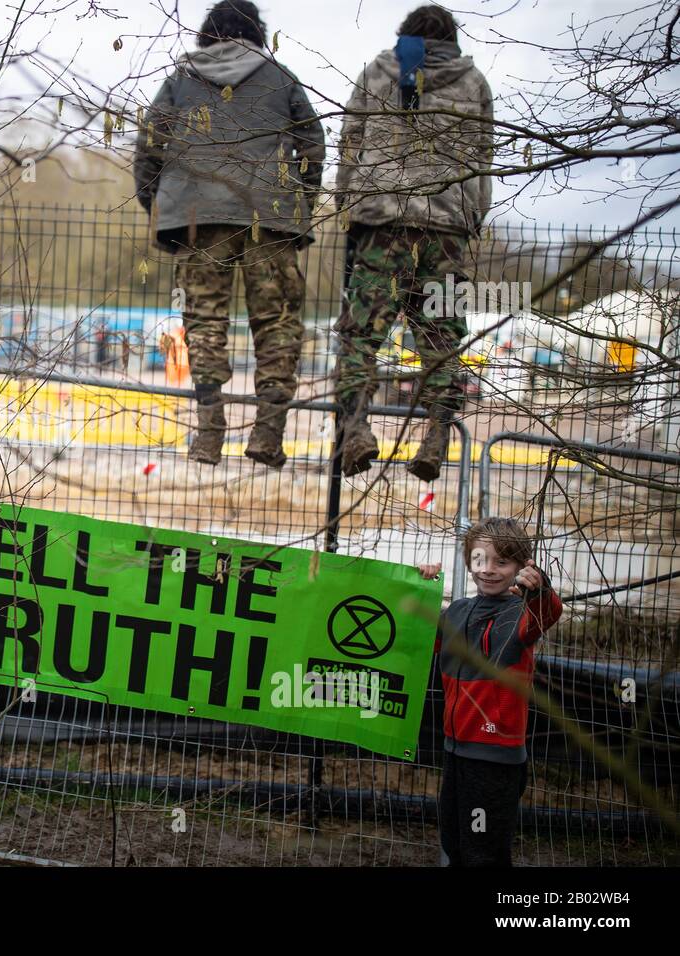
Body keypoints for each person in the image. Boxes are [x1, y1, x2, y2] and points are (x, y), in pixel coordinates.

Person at [134, 0, 325, 467]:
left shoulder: (181, 80)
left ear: (206, 33)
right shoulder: (281, 77)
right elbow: (313, 145)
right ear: (256, 31)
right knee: (277, 321)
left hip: (199, 217)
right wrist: (300, 199)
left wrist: (153, 198)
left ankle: (208, 431)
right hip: (271, 216)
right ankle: (267, 434)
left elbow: (150, 141)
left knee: (204, 319)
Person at [333, 4, 494, 481]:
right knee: (440, 334)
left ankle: (357, 427)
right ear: (452, 38)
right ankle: (438, 432)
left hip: (382, 221)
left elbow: (350, 141)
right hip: (446, 227)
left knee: (361, 333)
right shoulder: (473, 82)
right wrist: (471, 217)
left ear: (404, 34)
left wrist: (349, 205)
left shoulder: (379, 71)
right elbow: (483, 155)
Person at [416, 516, 561, 866]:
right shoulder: (459, 611)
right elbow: (417, 632)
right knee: (454, 841)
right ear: (468, 562)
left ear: (520, 566)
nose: (490, 569)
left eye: (502, 561)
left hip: (493, 762)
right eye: (481, 559)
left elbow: (547, 611)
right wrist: (422, 585)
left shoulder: (520, 615)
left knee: (484, 852)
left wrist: (539, 588)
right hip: (455, 752)